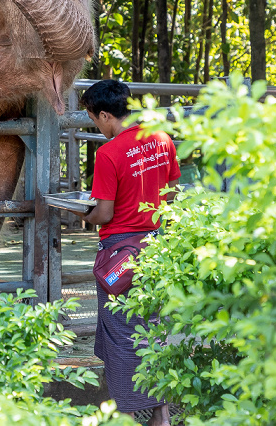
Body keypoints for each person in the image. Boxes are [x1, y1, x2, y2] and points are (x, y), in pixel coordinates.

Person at [76, 79, 180, 426]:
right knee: (153, 327)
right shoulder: (162, 139)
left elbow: (103, 213)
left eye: (94, 118)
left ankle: (127, 415)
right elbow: (173, 193)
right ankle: (161, 415)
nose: (96, 126)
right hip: (156, 247)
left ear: (105, 114)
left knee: (120, 332)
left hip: (120, 254)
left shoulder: (109, 153)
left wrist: (83, 214)